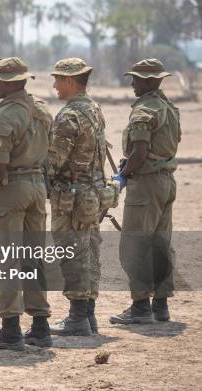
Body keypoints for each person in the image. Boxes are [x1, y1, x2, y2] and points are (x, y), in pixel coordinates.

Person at [0, 57, 54, 351]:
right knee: (33, 258)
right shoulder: (41, 109)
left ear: (8, 82)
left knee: (5, 260)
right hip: (37, 186)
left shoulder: (5, 116)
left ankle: (10, 330)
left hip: (11, 189)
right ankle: (40, 326)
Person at [110, 59, 180, 324]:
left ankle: (140, 306)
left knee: (135, 244)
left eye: (136, 79)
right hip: (166, 181)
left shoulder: (145, 109)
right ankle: (160, 305)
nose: (132, 83)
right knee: (160, 244)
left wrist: (125, 172)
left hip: (147, 184)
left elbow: (139, 153)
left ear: (150, 81)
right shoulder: (169, 108)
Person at [46, 58, 108, 336]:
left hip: (72, 196)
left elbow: (53, 161)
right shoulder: (95, 109)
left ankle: (77, 318)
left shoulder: (68, 115)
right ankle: (88, 316)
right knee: (89, 250)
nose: (55, 85)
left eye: (58, 79)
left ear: (70, 81)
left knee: (72, 251)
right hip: (94, 192)